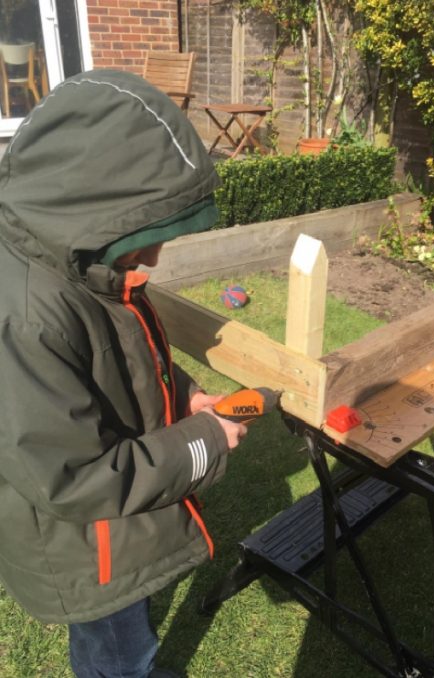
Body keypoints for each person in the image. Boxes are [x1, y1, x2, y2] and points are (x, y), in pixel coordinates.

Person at [0, 70, 248, 677]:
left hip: (102, 529)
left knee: (119, 634)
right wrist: (204, 442)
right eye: (148, 235)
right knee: (116, 643)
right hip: (83, 541)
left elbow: (123, 361)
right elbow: (74, 480)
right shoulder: (28, 316)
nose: (157, 255)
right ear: (99, 208)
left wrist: (185, 396)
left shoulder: (79, 266)